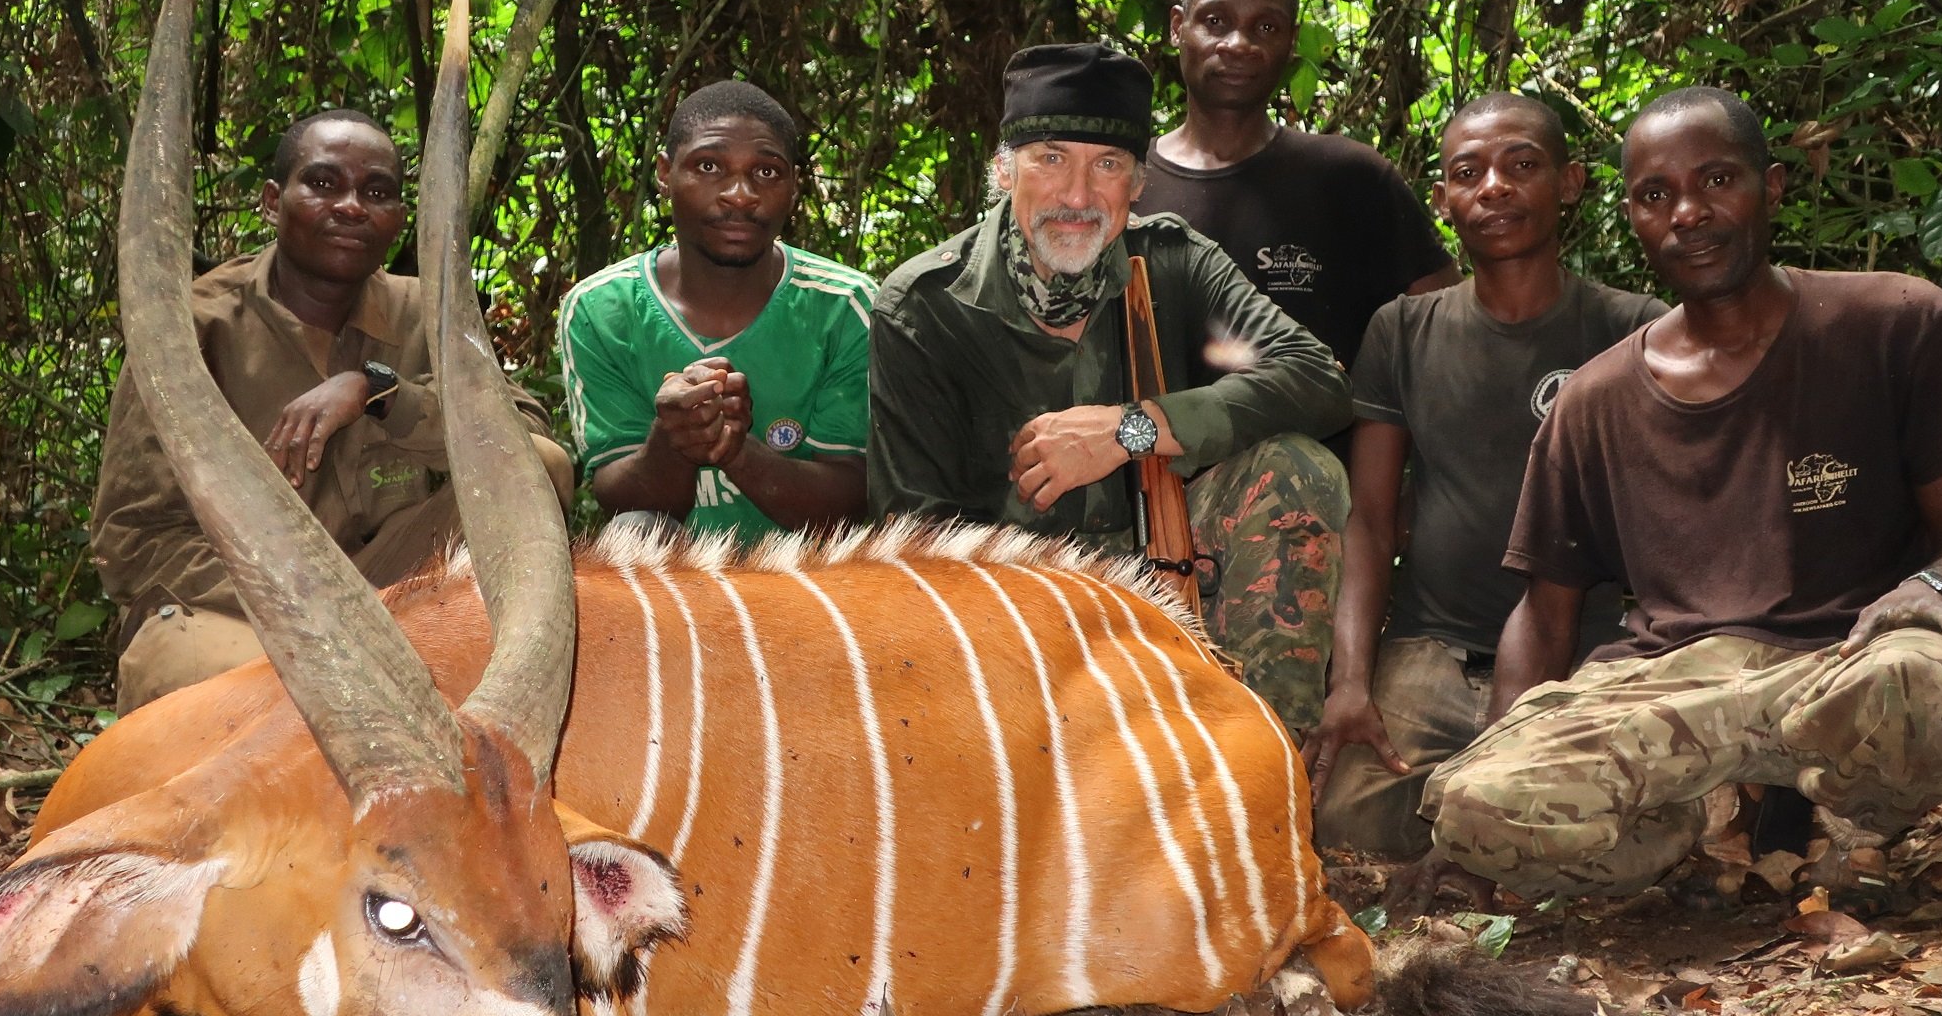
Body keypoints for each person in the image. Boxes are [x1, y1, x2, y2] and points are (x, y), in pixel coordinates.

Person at [1420, 87, 1942, 897]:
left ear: (1772, 187)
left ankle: (1814, 821)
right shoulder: (1593, 400)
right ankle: (1722, 821)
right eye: (1657, 195)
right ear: (1631, 216)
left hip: (1839, 664)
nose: (1687, 213)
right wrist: (1506, 744)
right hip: (1671, 689)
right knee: (1472, 805)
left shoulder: (1895, 321)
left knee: (1922, 683)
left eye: (1716, 180)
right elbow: (1544, 610)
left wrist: (1929, 589)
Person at [868, 41, 1354, 734]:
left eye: (1106, 166)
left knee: (1298, 469)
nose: (1076, 195)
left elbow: (1316, 376)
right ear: (1004, 170)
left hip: (1174, 584)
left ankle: (1263, 766)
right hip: (1012, 616)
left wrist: (1133, 429)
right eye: (1051, 159)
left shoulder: (1174, 262)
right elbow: (913, 537)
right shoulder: (924, 305)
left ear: (1137, 183)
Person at [91, 106, 574, 710]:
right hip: (242, 601)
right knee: (247, 698)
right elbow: (132, 538)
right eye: (323, 184)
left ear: (399, 219)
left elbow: (524, 437)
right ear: (273, 201)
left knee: (538, 468)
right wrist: (324, 604)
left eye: (376, 192)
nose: (350, 206)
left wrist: (379, 390)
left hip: (394, 581)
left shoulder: (426, 310)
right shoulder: (192, 328)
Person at [1306, 95, 1666, 859]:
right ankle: (1490, 816)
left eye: (1521, 166)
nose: (1493, 188)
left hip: (1584, 648)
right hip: (1432, 650)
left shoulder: (1631, 329)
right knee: (1343, 817)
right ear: (1442, 201)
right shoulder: (1402, 331)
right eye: (1468, 173)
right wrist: (1350, 683)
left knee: (1646, 828)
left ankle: (1489, 814)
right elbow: (1370, 519)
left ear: (1569, 183)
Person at [559, 81, 873, 540]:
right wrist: (673, 440)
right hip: (675, 585)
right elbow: (617, 497)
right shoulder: (601, 311)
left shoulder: (845, 307)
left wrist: (736, 451)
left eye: (766, 172)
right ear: (665, 173)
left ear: (793, 188)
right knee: (636, 530)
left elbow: (848, 504)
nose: (740, 194)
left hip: (809, 586)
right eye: (709, 166)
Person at [1137, 0, 1458, 389]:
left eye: (1265, 27)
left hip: (1317, 456)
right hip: (1152, 452)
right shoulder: (1123, 184)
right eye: (1216, 21)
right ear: (1177, 27)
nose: (1238, 45)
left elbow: (1448, 332)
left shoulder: (1351, 178)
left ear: (1291, 42)